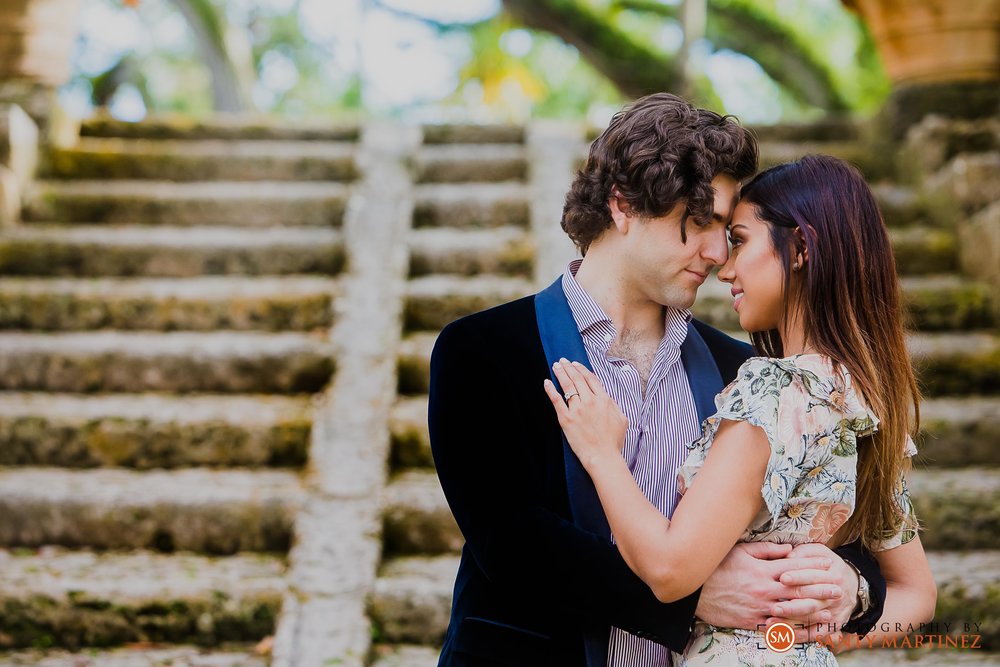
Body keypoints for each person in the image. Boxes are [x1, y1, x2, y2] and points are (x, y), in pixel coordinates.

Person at [428, 94, 889, 667]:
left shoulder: (746, 375)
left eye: (727, 229)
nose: (720, 253)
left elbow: (846, 520)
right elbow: (514, 545)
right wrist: (689, 599)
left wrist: (851, 584)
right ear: (623, 206)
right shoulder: (482, 350)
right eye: (700, 222)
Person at [544, 154, 937, 666]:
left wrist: (603, 455)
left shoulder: (769, 393)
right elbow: (918, 597)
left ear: (798, 248)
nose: (724, 268)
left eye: (741, 240)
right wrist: (811, 632)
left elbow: (668, 570)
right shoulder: (866, 401)